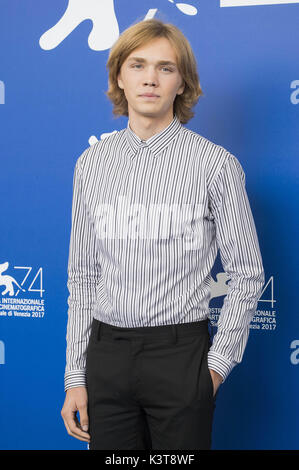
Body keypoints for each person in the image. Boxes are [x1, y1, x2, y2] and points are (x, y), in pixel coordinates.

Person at [60, 18, 265, 450]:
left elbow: (247, 275)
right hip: (106, 354)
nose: (150, 78)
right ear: (119, 75)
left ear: (182, 83)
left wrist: (214, 368)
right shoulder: (91, 164)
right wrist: (76, 376)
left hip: (181, 355)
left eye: (165, 68)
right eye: (138, 65)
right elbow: (82, 276)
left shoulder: (215, 165)